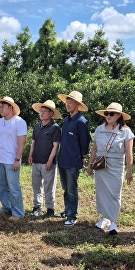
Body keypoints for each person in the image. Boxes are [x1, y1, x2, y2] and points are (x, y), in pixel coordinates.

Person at [87, 102, 134, 235]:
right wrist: (90, 165)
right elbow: (95, 149)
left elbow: (129, 153)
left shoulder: (125, 132)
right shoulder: (99, 129)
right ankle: (105, 217)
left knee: (114, 193)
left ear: (119, 115)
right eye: (106, 113)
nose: (108, 116)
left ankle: (113, 221)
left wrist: (129, 171)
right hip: (101, 164)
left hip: (116, 165)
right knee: (101, 192)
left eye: (111, 114)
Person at [56, 91, 90, 227]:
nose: (68, 105)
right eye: (67, 102)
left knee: (72, 188)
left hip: (73, 161)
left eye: (71, 102)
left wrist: (83, 157)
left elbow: (85, 142)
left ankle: (72, 215)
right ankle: (67, 210)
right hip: (62, 159)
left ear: (77, 105)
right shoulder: (66, 120)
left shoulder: (81, 121)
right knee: (65, 188)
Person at [0, 96, 27, 220]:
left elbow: (22, 143)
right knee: (0, 185)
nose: (0, 109)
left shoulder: (19, 122)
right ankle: (6, 207)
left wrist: (17, 159)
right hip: (0, 159)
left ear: (10, 107)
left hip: (12, 160)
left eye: (2, 106)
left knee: (13, 187)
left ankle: (18, 212)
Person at [28, 100, 62, 218]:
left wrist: (49, 160)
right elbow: (33, 143)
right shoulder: (37, 127)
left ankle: (50, 209)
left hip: (48, 163)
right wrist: (30, 155)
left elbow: (55, 146)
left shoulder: (55, 127)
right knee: (36, 185)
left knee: (49, 186)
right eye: (40, 111)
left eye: (44, 111)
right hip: (36, 161)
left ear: (51, 113)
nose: (41, 114)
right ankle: (37, 206)